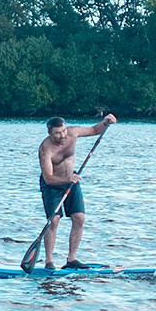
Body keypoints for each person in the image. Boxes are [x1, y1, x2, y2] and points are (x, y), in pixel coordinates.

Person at [37, 111, 116, 269]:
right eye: (57, 133)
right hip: (53, 185)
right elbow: (48, 178)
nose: (62, 135)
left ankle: (71, 259)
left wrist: (106, 122)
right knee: (53, 221)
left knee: (79, 218)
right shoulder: (46, 150)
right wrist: (67, 179)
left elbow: (94, 130)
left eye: (63, 130)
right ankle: (49, 261)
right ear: (49, 133)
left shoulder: (73, 132)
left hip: (72, 182)